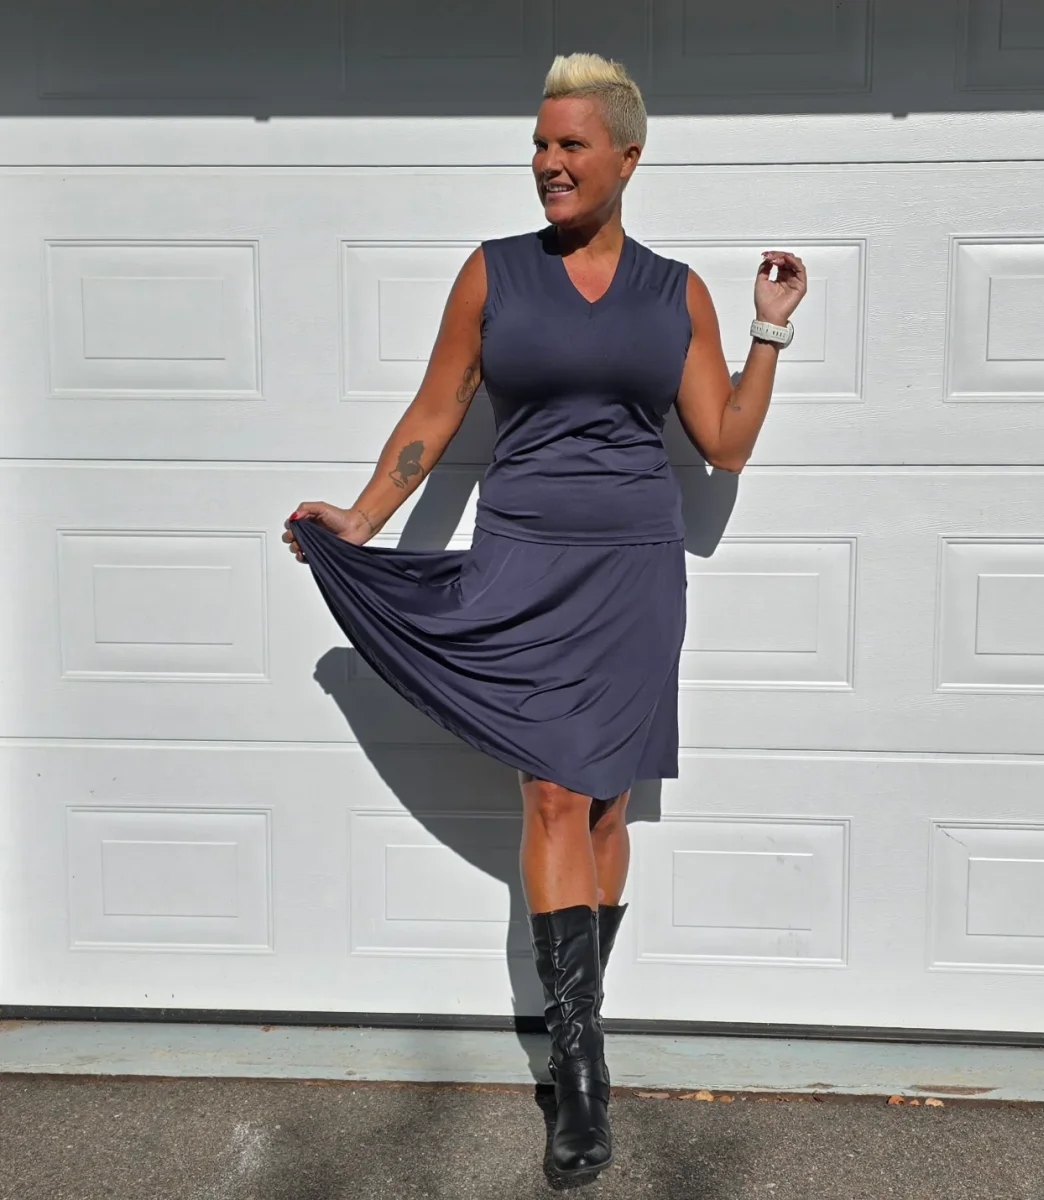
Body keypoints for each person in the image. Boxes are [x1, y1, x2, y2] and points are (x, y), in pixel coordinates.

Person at [282, 51, 806, 1184]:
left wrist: (768, 332)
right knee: (555, 790)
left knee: (606, 802)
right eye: (538, 143)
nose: (548, 163)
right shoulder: (494, 274)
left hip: (633, 570)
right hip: (524, 558)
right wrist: (362, 517)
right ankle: (578, 1072)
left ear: (627, 156)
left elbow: (723, 442)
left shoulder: (676, 293)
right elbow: (437, 408)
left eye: (572, 145)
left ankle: (583, 1036)